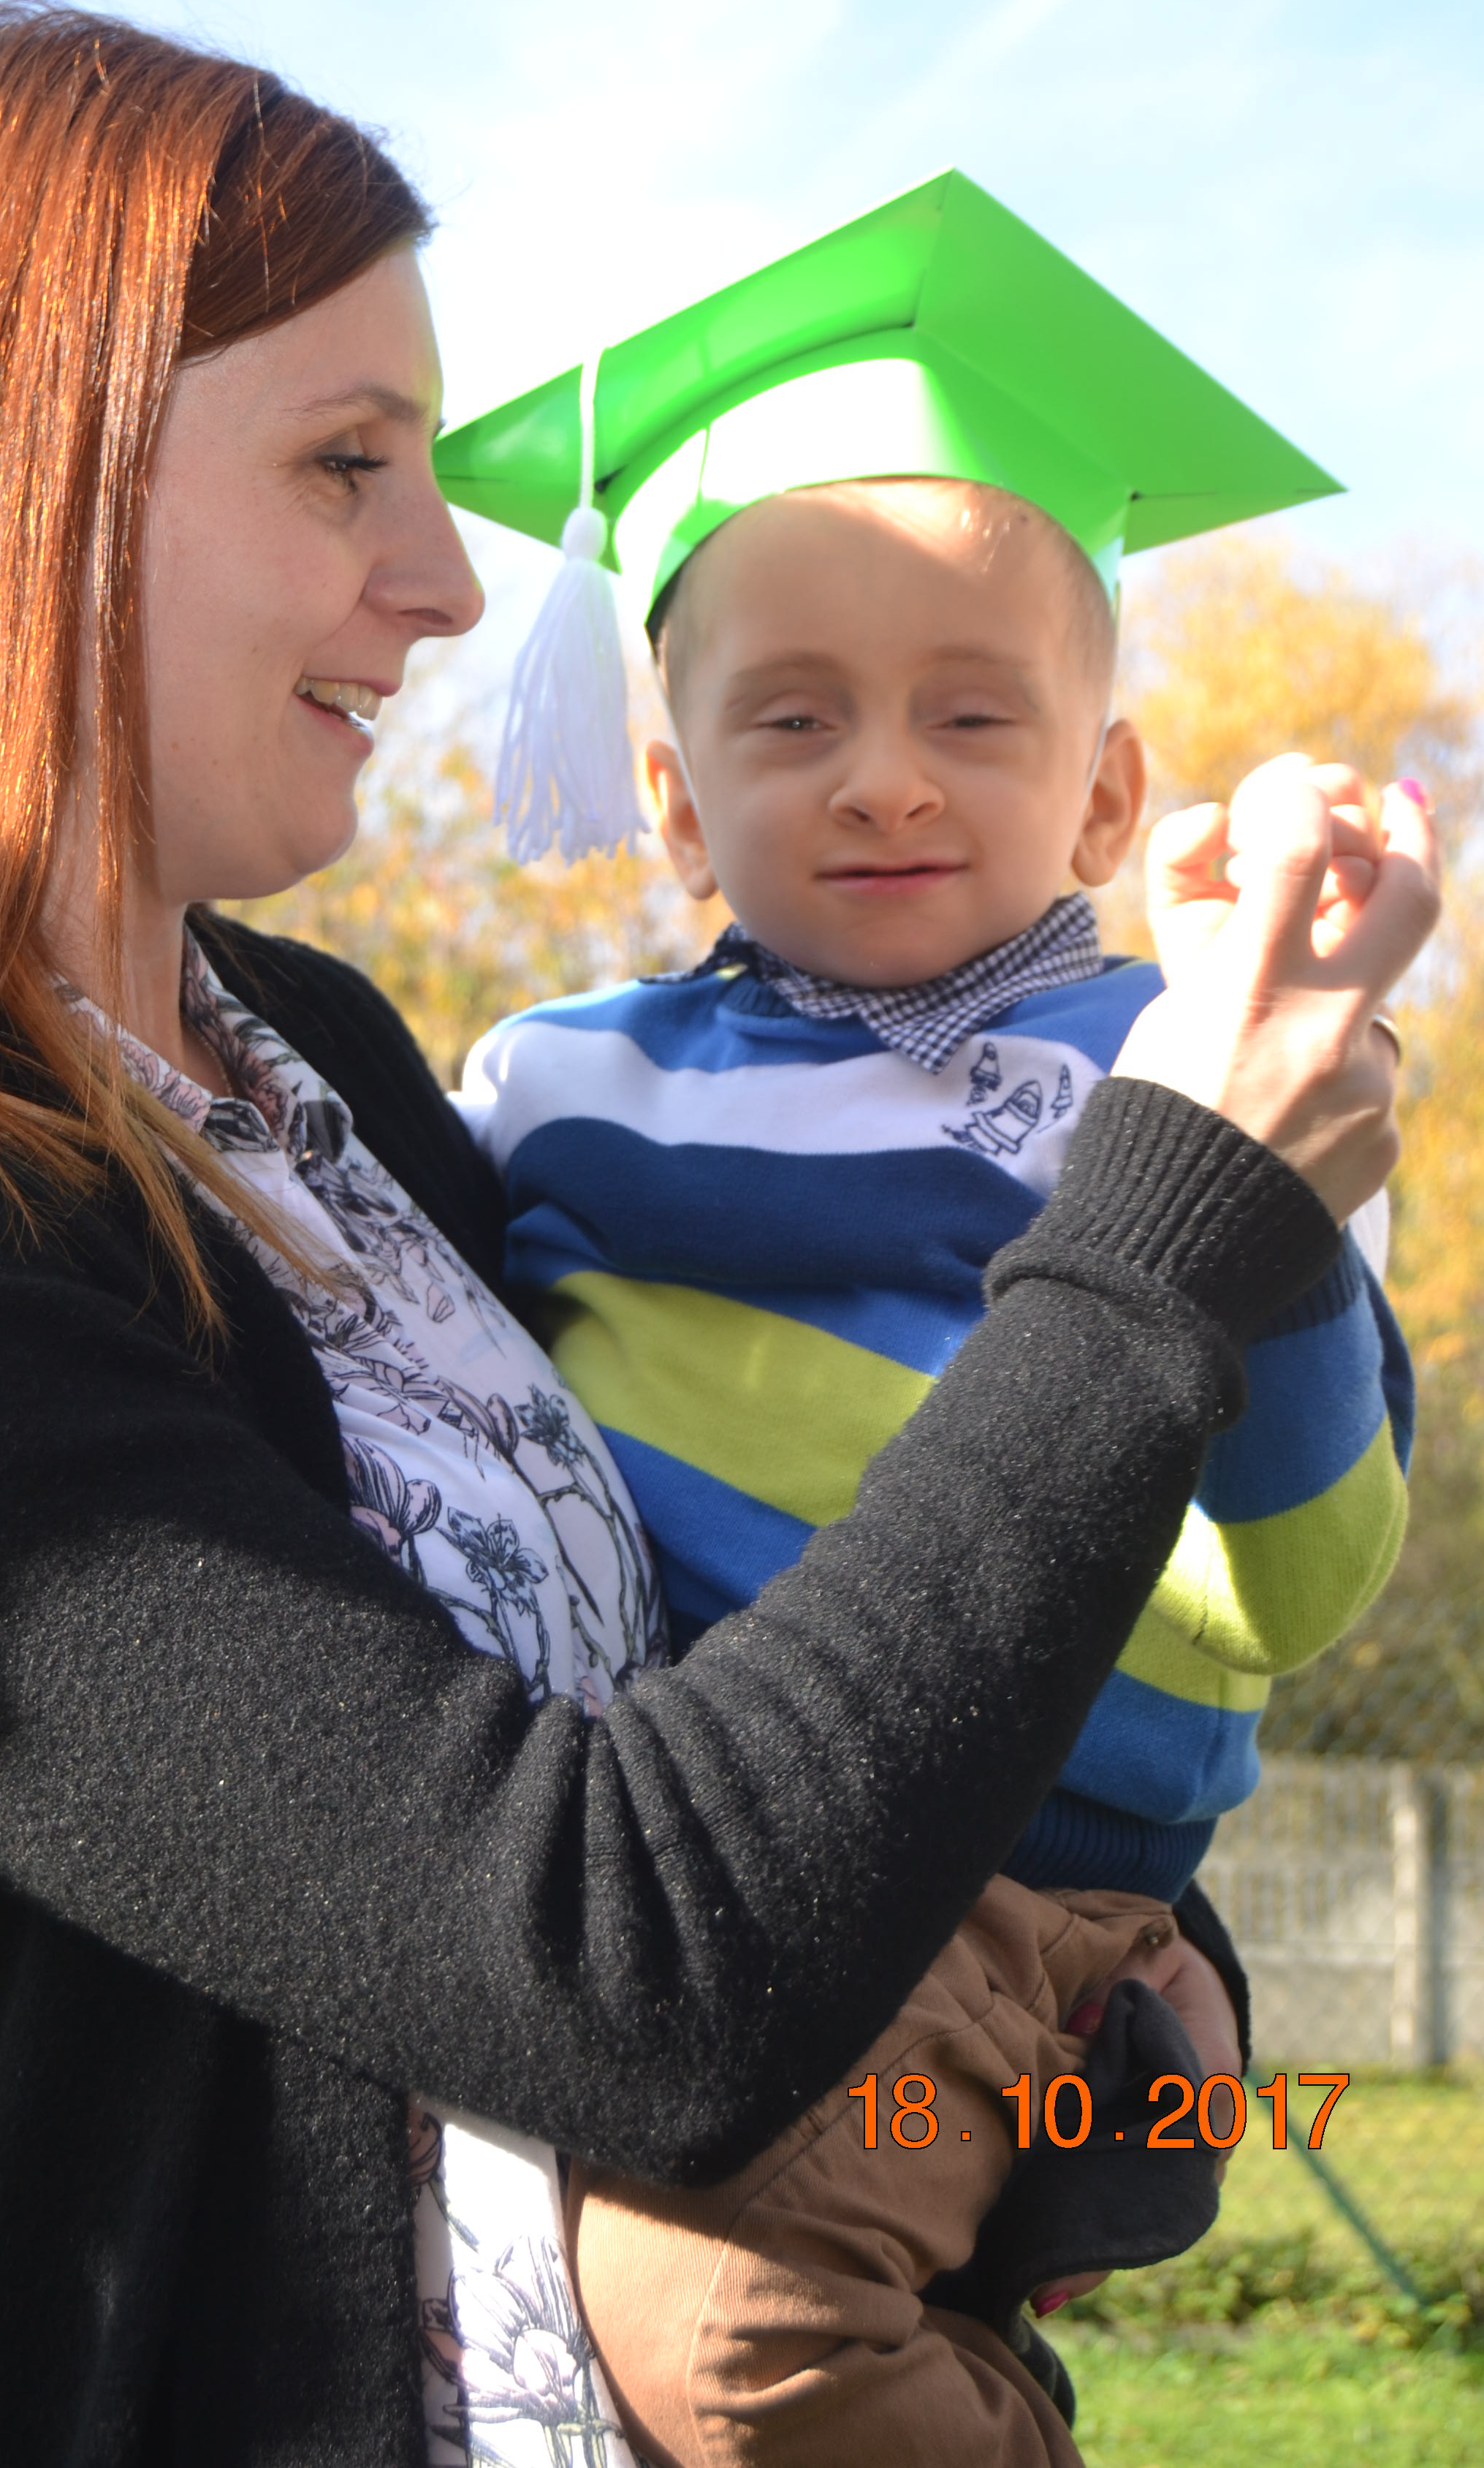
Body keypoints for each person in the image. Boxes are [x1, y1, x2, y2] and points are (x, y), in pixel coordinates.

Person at [0, 16, 1434, 2468]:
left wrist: (1111, 1983)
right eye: (345, 466)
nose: (442, 578)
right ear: (21, 485)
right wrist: (1172, 1222)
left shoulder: (322, 1070)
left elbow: (800, 1668)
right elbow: (618, 1966)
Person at [448, 183, 1420, 2462]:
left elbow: (1304, 1583)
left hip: (1022, 1905)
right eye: (794, 716)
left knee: (724, 2320)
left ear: (1108, 789)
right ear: (676, 801)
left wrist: (1250, 1175)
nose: (883, 771)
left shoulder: (1182, 1063)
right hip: (716, 1853)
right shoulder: (557, 1085)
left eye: (971, 712)